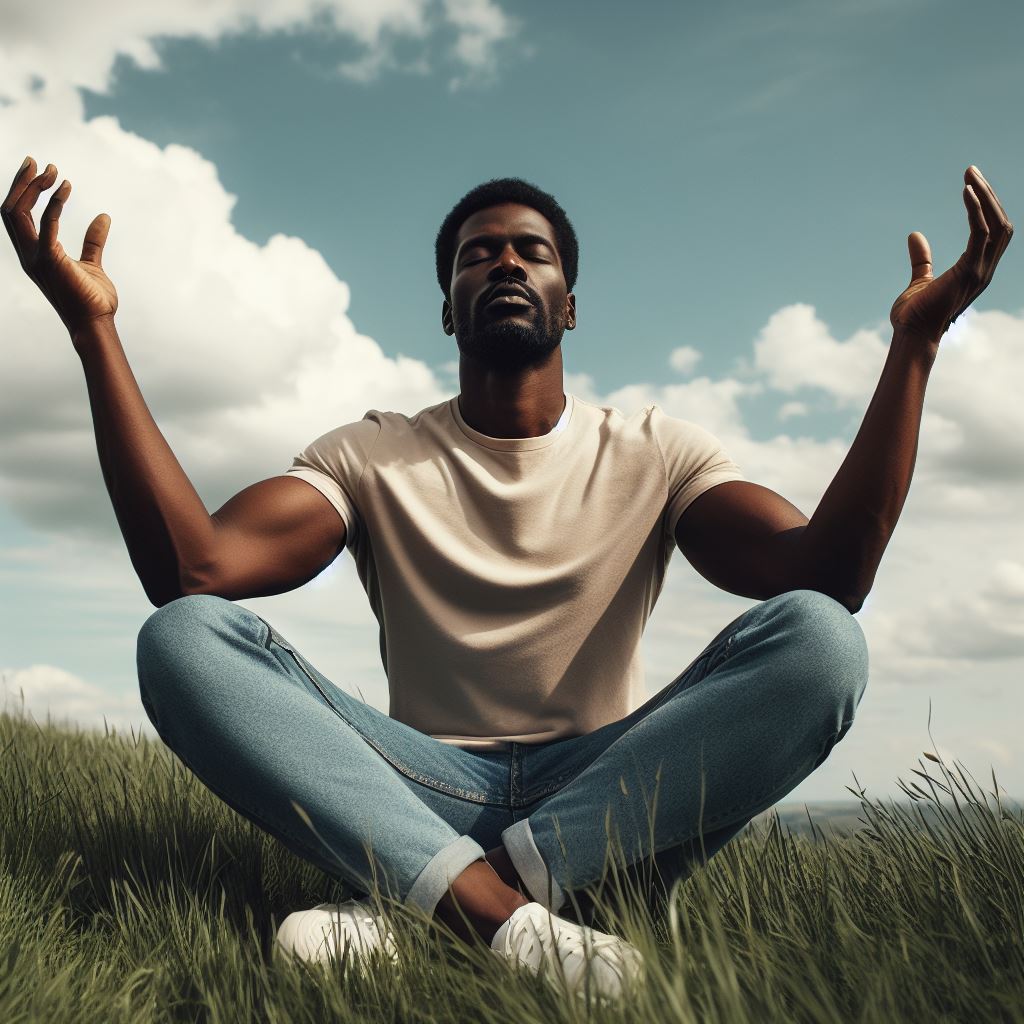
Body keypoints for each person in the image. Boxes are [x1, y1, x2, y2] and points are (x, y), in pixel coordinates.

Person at [2, 159, 1012, 1000]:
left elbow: (825, 577)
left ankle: (439, 902)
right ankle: (529, 917)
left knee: (819, 639)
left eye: (532, 250)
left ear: (571, 302)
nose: (505, 261)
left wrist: (915, 348)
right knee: (180, 637)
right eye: (477, 253)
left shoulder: (655, 448)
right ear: (447, 307)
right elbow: (195, 567)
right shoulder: (372, 454)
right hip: (417, 784)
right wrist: (94, 332)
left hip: (607, 786)